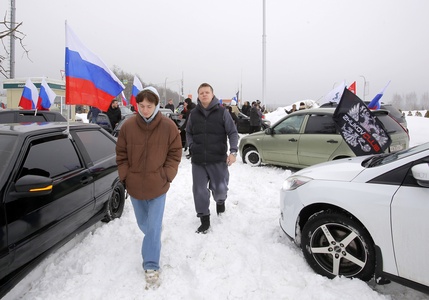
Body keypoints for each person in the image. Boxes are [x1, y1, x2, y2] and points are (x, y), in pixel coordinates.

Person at [116, 86, 182, 290]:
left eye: (149, 106)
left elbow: (175, 153)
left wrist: (167, 175)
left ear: (156, 106)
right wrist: (125, 176)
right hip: (135, 186)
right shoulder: (128, 126)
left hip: (158, 186)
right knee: (145, 225)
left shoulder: (168, 126)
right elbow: (121, 154)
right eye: (141, 106)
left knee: (152, 227)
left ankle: (151, 265)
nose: (145, 110)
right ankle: (153, 234)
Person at [186, 83, 239, 234]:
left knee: (220, 189)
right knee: (199, 191)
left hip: (218, 159)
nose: (204, 94)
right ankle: (204, 218)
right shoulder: (193, 114)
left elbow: (233, 133)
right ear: (198, 95)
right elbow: (188, 132)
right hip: (198, 161)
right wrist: (191, 145)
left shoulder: (223, 112)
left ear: (212, 94)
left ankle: (220, 201)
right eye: (201, 92)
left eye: (207, 92)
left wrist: (233, 152)